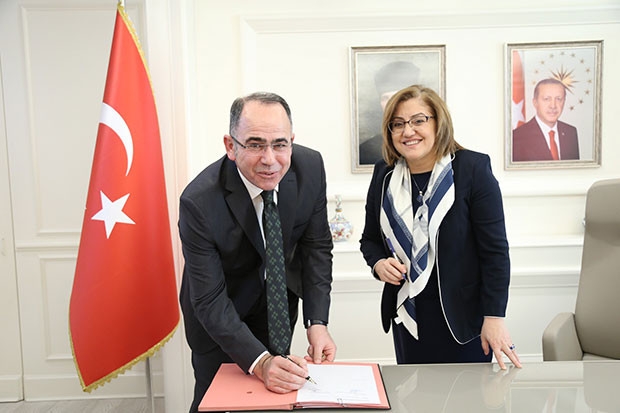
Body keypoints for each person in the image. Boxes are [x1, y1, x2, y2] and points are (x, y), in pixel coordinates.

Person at [179, 92, 337, 412]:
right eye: (255, 144)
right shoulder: (199, 202)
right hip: (220, 320)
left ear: (291, 142)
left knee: (273, 402)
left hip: (275, 310)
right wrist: (260, 362)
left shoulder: (310, 168)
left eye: (280, 144)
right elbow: (209, 299)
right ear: (230, 146)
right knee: (217, 405)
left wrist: (317, 321)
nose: (270, 159)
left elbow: (316, 247)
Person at [359, 85, 522, 370]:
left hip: (464, 321)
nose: (408, 131)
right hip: (408, 315)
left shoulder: (472, 169)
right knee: (415, 393)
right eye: (398, 124)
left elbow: (495, 252)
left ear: (439, 122)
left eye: (418, 120)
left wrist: (494, 317)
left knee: (470, 393)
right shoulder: (383, 174)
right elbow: (369, 240)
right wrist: (379, 264)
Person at [359, 61, 420, 165]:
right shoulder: (366, 150)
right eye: (385, 98)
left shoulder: (426, 141)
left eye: (396, 97)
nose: (391, 103)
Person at [512, 78, 579, 162]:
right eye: (547, 99)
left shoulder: (570, 132)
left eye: (558, 99)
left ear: (564, 102)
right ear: (535, 102)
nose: (553, 106)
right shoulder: (517, 137)